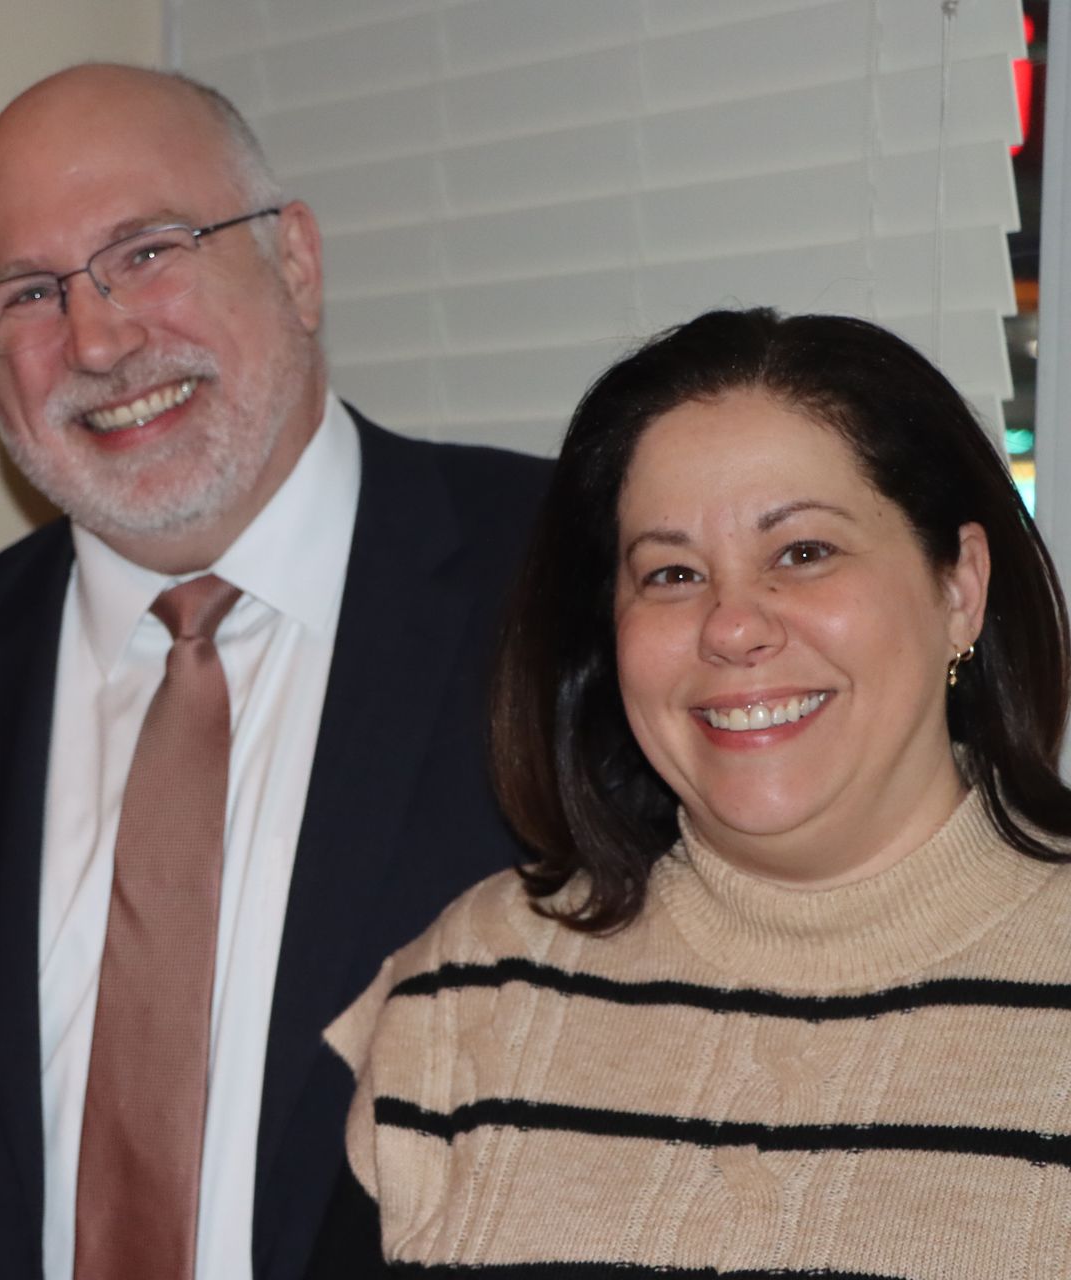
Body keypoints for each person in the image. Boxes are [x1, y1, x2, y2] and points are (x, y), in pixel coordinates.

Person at [0, 65, 548, 1280]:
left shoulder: (568, 597)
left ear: (295, 262)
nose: (98, 337)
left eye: (147, 251)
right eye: (28, 293)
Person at [322, 307, 1071, 1275]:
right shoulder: (469, 986)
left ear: (961, 586)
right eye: (671, 572)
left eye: (803, 552)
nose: (732, 624)